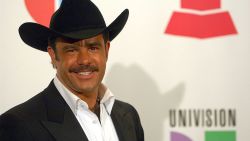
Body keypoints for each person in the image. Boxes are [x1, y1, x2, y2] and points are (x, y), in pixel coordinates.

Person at [0, 0, 144, 141]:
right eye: (71, 50)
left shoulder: (128, 116)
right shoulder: (18, 125)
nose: (84, 60)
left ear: (106, 50)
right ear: (53, 55)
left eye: (93, 48)